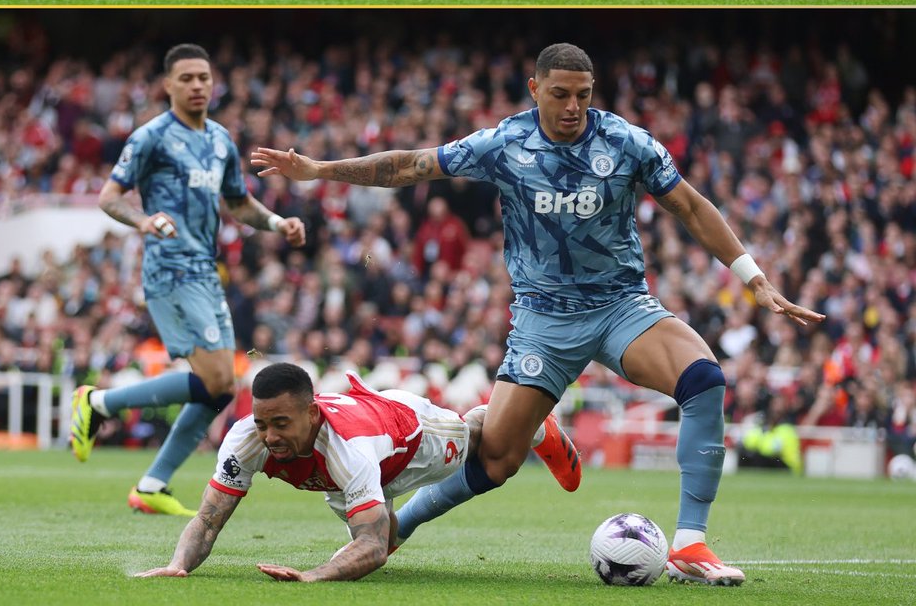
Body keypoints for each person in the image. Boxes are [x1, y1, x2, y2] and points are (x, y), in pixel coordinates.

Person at [250, 41, 825, 586]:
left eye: (583, 94)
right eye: (560, 94)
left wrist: (754, 279)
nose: (573, 106)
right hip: (542, 323)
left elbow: (691, 208)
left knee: (704, 379)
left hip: (620, 305)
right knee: (497, 458)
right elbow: (410, 166)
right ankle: (406, 525)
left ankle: (690, 543)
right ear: (535, 89)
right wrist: (320, 171)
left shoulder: (627, 143)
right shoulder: (506, 144)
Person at [69, 43, 306, 516]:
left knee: (222, 385)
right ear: (168, 85)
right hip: (170, 269)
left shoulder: (219, 140)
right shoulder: (151, 137)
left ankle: (149, 478)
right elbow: (109, 197)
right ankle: (99, 403)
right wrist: (142, 221)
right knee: (219, 379)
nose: (197, 85)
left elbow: (238, 204)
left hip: (205, 270)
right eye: (187, 78)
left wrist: (278, 222)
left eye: (204, 77)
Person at [135, 360, 580, 581]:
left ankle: (535, 427)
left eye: (281, 424)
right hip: (359, 465)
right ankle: (399, 521)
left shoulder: (349, 449)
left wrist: (314, 575)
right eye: (262, 423)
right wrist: (179, 566)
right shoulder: (246, 439)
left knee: (498, 460)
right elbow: (210, 517)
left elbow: (370, 550)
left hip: (411, 436)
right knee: (382, 538)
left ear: (311, 414)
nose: (269, 436)